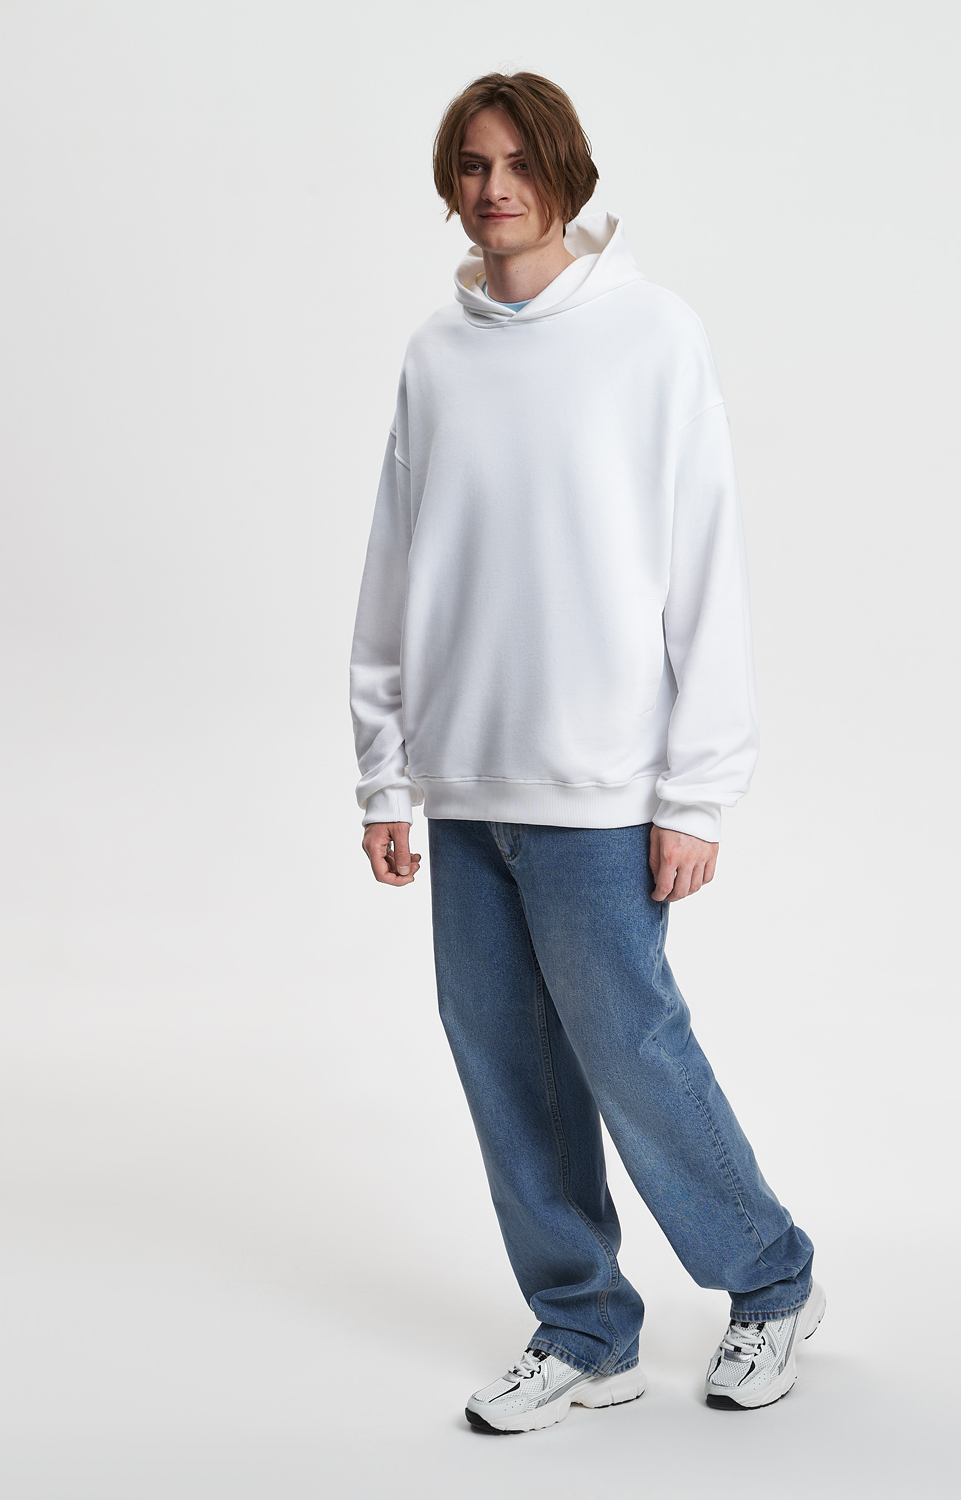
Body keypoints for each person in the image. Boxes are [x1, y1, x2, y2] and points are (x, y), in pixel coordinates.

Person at [349, 71, 820, 1434]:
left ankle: (772, 1282)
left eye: (517, 163)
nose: (494, 188)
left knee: (629, 1050)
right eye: (471, 165)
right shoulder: (435, 357)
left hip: (604, 783)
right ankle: (585, 1326)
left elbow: (705, 564)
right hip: (465, 780)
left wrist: (697, 792)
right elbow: (394, 570)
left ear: (566, 174)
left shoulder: (650, 335)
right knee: (505, 1063)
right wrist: (385, 771)